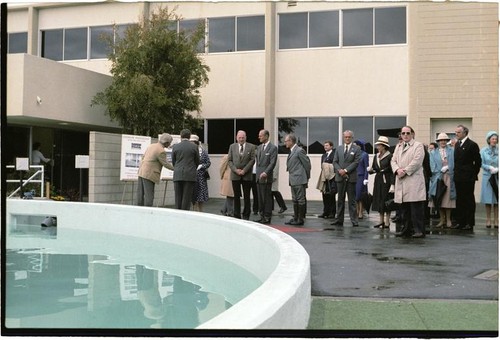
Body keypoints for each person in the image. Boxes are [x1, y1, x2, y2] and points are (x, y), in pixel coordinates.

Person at [390, 126, 427, 238]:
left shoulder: (418, 146)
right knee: (404, 208)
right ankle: (406, 229)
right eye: (403, 133)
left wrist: (405, 171)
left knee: (416, 207)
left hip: (413, 179)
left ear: (412, 134)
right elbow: (393, 160)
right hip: (401, 178)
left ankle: (419, 230)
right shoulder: (398, 146)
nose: (405, 135)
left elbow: (417, 161)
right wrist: (397, 170)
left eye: (408, 133)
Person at [452, 124, 482, 230]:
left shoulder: (472, 145)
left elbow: (478, 162)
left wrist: (473, 173)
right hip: (458, 176)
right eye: (455, 132)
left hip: (468, 177)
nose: (456, 134)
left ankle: (469, 222)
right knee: (459, 200)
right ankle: (461, 221)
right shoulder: (457, 145)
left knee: (468, 199)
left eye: (458, 132)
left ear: (465, 133)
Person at [331, 130, 362, 227]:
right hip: (340, 177)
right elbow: (334, 161)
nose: (347, 138)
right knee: (340, 200)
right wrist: (340, 170)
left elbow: (356, 162)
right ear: (343, 138)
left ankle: (354, 220)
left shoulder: (356, 148)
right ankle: (339, 220)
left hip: (350, 177)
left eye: (349, 137)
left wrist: (346, 170)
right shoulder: (339, 149)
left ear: (352, 138)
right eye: (346, 137)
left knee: (352, 201)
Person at [137, 133, 174, 207]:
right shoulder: (161, 151)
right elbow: (166, 164)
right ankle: (148, 212)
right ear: (166, 142)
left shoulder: (151, 146)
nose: (170, 145)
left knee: (140, 194)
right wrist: (176, 168)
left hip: (141, 171)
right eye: (169, 143)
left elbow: (143, 157)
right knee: (149, 195)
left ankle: (139, 210)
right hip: (150, 174)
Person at [428, 132, 456, 228]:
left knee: (448, 199)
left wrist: (448, 167)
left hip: (449, 176)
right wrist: (440, 170)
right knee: (439, 198)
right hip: (438, 177)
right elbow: (432, 166)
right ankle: (441, 219)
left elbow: (454, 163)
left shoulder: (452, 151)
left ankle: (448, 220)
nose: (443, 142)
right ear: (438, 141)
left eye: (445, 140)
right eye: (441, 140)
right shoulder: (433, 153)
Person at [227, 130, 256, 220]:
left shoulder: (251, 147)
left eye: (243, 137)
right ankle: (237, 214)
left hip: (247, 176)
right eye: (239, 137)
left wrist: (244, 170)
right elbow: (229, 160)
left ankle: (246, 214)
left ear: (246, 137)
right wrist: (236, 170)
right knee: (236, 196)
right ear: (236, 138)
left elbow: (252, 160)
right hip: (235, 175)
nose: (241, 139)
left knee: (247, 196)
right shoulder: (232, 146)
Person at [284, 134, 311, 226]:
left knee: (300, 199)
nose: (285, 143)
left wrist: (306, 177)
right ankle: (295, 217)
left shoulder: (299, 151)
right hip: (293, 178)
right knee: (295, 199)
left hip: (299, 178)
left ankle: (300, 219)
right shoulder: (292, 151)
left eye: (286, 141)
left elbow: (307, 164)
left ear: (291, 141)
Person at [368, 136, 393, 229]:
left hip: (386, 179)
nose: (377, 147)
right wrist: (371, 170)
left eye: (379, 145)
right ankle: (381, 221)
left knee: (386, 199)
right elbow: (374, 167)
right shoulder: (376, 156)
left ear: (384, 146)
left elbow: (391, 168)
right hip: (378, 179)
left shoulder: (390, 156)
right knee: (379, 199)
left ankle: (387, 221)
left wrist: (392, 184)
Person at [172, 129, 200, 210]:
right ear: (189, 136)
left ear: (181, 136)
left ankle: (177, 213)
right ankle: (184, 214)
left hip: (178, 173)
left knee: (178, 197)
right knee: (186, 198)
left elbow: (174, 161)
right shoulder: (194, 147)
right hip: (190, 174)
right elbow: (197, 161)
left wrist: (177, 168)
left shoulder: (175, 146)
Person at [254, 129, 278, 224]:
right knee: (260, 198)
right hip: (258, 177)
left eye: (261, 135)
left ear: (267, 136)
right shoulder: (259, 147)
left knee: (267, 198)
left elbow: (272, 163)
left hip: (266, 177)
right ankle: (262, 215)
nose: (259, 137)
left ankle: (267, 216)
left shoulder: (273, 148)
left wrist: (266, 172)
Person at [480, 131, 498, 229]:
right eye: (493, 139)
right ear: (489, 140)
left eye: (496, 139)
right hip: (487, 176)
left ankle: (496, 220)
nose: (494, 141)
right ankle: (488, 219)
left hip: (497, 176)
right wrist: (489, 167)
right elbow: (480, 163)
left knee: (496, 200)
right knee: (488, 200)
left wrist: (497, 169)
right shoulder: (483, 151)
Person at [190, 135, 211, 212]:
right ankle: (194, 211)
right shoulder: (189, 152)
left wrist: (202, 166)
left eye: (193, 143)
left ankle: (201, 212)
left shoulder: (203, 152)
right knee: (193, 196)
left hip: (201, 177)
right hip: (192, 176)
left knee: (201, 196)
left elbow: (208, 163)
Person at [317, 140, 336, 219]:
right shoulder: (323, 156)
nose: (325, 147)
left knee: (331, 195)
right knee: (324, 194)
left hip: (332, 178)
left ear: (331, 146)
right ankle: (325, 212)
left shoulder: (334, 154)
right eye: (324, 145)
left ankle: (332, 212)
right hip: (324, 177)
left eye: (327, 145)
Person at [354, 139, 370, 220]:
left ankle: (361, 212)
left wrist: (366, 178)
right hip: (354, 177)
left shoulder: (364, 155)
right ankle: (356, 211)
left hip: (361, 176)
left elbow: (367, 167)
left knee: (360, 196)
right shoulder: (353, 154)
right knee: (355, 196)